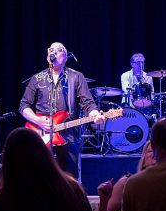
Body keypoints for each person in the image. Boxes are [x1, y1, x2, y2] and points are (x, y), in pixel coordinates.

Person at [20, 42, 105, 177]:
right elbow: (24, 105)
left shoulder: (75, 77)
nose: (53, 52)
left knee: (68, 177)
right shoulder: (37, 78)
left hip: (68, 135)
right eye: (51, 50)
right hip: (41, 134)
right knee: (39, 176)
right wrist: (37, 120)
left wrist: (95, 114)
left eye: (58, 50)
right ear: (47, 55)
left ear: (65, 57)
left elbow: (88, 102)